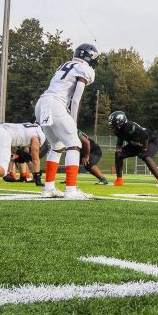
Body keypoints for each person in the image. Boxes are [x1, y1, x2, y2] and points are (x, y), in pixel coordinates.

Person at [31, 43, 100, 200]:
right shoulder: (84, 69)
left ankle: (49, 188)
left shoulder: (66, 64)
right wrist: (73, 122)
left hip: (42, 102)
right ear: (89, 57)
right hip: (55, 103)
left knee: (56, 146)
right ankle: (71, 190)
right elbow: (76, 99)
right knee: (74, 144)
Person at [0, 121, 45, 186]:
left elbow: (13, 144)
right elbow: (35, 159)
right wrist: (37, 176)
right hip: (3, 134)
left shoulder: (28, 128)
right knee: (3, 170)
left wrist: (18, 152)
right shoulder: (39, 134)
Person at [108, 111, 158, 187]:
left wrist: (144, 148)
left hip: (150, 141)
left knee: (146, 157)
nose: (113, 126)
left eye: (114, 124)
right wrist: (119, 148)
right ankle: (119, 180)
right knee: (118, 154)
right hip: (136, 144)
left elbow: (145, 136)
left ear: (121, 122)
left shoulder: (130, 126)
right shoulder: (118, 130)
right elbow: (119, 141)